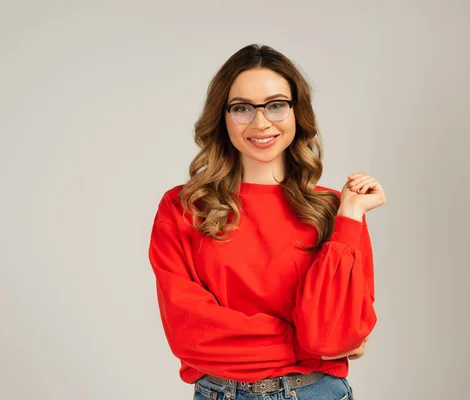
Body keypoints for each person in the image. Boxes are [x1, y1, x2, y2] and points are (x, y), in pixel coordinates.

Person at [148, 44, 386, 400]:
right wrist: (309, 345)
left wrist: (350, 215)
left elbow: (338, 335)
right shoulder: (184, 207)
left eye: (276, 105)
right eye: (242, 108)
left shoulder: (335, 210)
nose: (261, 123)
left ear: (296, 112)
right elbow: (191, 333)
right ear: (222, 116)